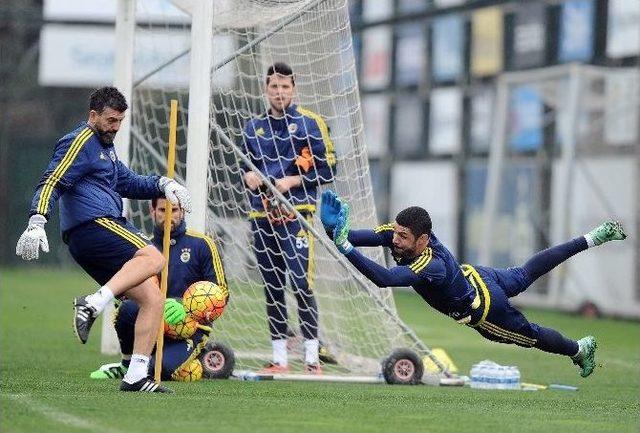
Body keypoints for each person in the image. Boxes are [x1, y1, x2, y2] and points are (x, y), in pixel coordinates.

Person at [320, 190, 628, 378]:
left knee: (531, 335)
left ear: (423, 240)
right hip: (478, 277)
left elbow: (384, 279)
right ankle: (591, 238)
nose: (395, 240)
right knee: (523, 274)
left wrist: (345, 246)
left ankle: (578, 349)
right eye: (396, 234)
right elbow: (358, 236)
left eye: (403, 237)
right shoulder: (405, 232)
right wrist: (334, 228)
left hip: (484, 308)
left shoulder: (432, 265)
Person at [15, 87, 191, 393]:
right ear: (93, 115)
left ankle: (136, 374)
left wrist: (163, 184)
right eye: (110, 120)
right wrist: (37, 219)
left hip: (96, 233)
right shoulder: (80, 140)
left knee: (153, 297)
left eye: (120, 121)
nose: (115, 127)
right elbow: (52, 179)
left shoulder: (105, 147)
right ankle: (93, 302)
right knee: (155, 258)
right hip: (94, 225)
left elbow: (126, 181)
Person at [241, 62, 337, 374]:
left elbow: (329, 169)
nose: (279, 92)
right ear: (266, 89)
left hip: (298, 214)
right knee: (272, 284)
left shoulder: (312, 124)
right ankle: (279, 357)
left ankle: (312, 358)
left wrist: (292, 181)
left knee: (301, 282)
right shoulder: (251, 128)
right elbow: (242, 168)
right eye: (274, 87)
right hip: (262, 215)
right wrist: (248, 177)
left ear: (293, 89)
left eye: (285, 87)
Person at [90, 198, 227, 381]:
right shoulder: (141, 248)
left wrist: (186, 308)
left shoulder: (203, 244)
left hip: (190, 328)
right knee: (128, 309)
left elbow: (222, 292)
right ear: (152, 211)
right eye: (163, 210)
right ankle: (127, 365)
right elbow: (124, 290)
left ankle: (188, 359)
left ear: (183, 211)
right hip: (152, 321)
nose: (169, 216)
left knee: (158, 371)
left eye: (175, 210)